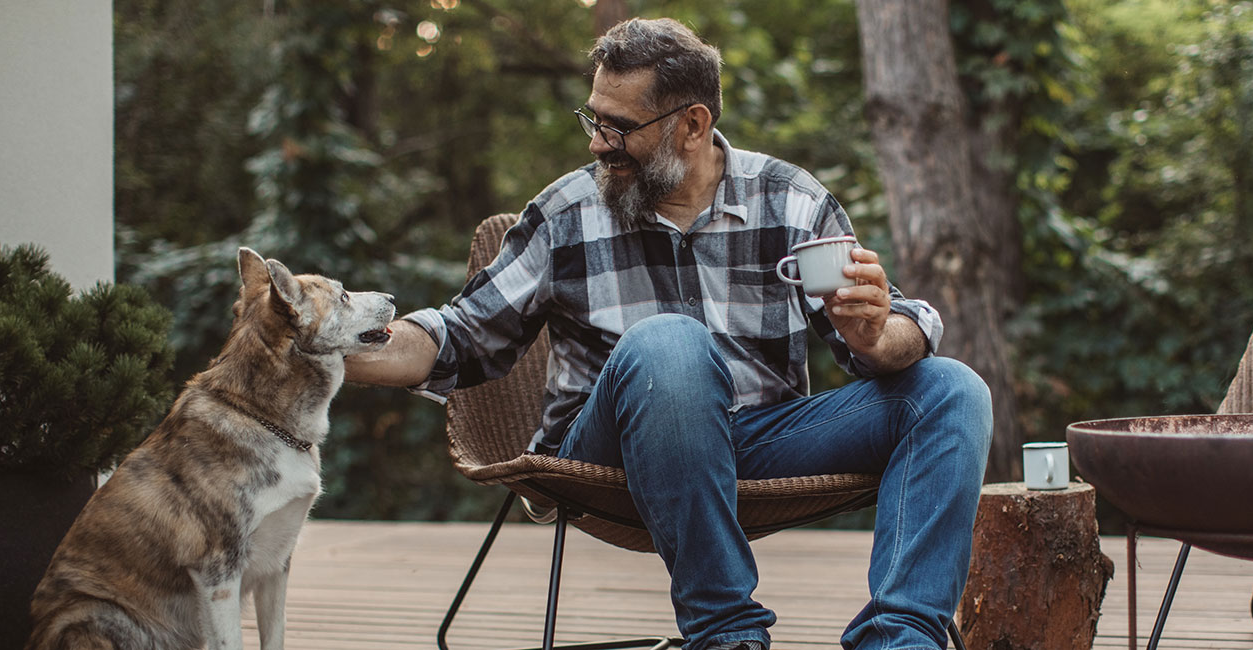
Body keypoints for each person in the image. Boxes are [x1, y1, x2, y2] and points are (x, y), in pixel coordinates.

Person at [345, 17, 993, 650]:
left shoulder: (791, 201)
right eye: (593, 119)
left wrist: (878, 337)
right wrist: (337, 347)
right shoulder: (565, 212)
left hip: (759, 439)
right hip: (608, 453)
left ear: (693, 125)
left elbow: (898, 326)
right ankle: (727, 636)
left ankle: (901, 637)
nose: (598, 142)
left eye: (620, 127)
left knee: (950, 389)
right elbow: (461, 333)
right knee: (669, 343)